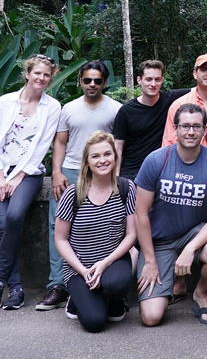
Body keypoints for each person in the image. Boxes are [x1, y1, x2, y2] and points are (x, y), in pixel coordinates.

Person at [134, 103, 207, 326]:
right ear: (175, 128)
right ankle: (167, 284)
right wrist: (149, 260)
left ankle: (200, 292)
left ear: (205, 130)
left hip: (193, 234)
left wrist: (190, 248)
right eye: (185, 126)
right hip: (160, 242)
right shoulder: (156, 160)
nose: (190, 132)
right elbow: (140, 214)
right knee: (151, 317)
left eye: (196, 126)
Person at [37, 60, 122, 311]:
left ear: (105, 82)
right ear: (80, 81)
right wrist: (56, 172)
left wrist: (115, 175)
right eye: (87, 80)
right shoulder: (69, 109)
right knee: (59, 227)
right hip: (72, 171)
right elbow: (60, 142)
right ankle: (58, 284)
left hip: (104, 172)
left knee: (107, 224)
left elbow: (117, 145)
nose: (92, 84)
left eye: (97, 80)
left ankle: (102, 281)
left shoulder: (116, 109)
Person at [54, 132, 136, 331]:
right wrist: (83, 270)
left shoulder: (126, 188)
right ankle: (78, 298)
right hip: (80, 267)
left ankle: (113, 298)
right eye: (95, 156)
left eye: (107, 154)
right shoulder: (73, 193)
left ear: (115, 157)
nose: (102, 160)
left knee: (115, 288)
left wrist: (104, 263)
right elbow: (61, 240)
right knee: (94, 322)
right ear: (87, 161)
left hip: (113, 261)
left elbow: (132, 234)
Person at [114, 59, 207, 180]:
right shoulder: (127, 111)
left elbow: (206, 85)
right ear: (139, 80)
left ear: (162, 80)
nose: (153, 84)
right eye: (148, 79)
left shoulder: (170, 99)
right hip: (134, 173)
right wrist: (115, 179)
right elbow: (118, 148)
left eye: (157, 79)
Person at [0, 54, 61, 310]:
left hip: (30, 173)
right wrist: (2, 175)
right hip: (2, 169)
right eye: (37, 73)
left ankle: (1, 277)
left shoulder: (52, 107)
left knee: (13, 217)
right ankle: (15, 288)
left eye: (46, 75)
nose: (41, 78)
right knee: (2, 222)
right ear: (27, 74)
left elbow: (42, 147)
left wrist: (17, 176)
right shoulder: (5, 102)